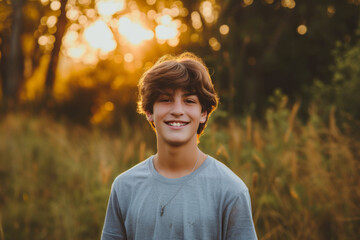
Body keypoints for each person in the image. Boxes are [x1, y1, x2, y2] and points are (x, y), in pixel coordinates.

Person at [101, 52, 257, 240]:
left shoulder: (231, 191)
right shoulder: (124, 187)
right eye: (166, 100)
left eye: (189, 101)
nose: (177, 110)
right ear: (149, 111)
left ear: (204, 113)